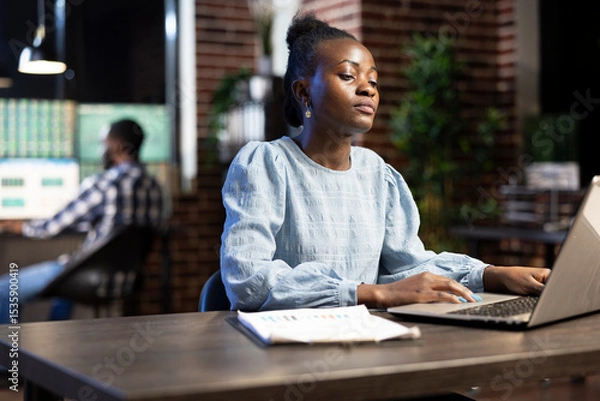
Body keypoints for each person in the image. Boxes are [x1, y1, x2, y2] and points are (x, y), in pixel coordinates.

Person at [219, 13, 550, 312]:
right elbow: (248, 280)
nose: (368, 89)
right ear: (304, 93)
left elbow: (410, 264)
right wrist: (375, 294)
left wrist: (494, 274)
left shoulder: (377, 174)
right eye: (348, 76)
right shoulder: (266, 164)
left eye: (374, 81)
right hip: (286, 352)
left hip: (369, 341)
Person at [0, 119, 163, 323]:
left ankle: (8, 355)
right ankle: (60, 345)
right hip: (128, 280)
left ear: (119, 147)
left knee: (5, 290)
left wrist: (21, 226)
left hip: (91, 277)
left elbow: (51, 227)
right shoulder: (155, 187)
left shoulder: (106, 183)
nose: (102, 150)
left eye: (105, 144)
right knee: (64, 285)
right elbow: (121, 229)